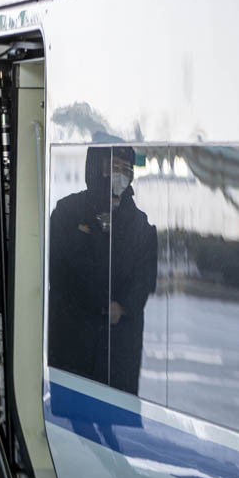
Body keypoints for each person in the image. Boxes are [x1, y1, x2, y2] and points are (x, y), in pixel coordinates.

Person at [48, 146, 157, 395]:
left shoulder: (140, 223)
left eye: (126, 168)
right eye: (113, 165)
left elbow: (145, 277)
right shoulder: (68, 211)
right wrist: (98, 305)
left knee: (117, 406)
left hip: (119, 345)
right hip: (74, 338)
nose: (120, 174)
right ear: (96, 165)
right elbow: (59, 270)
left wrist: (124, 306)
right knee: (71, 405)